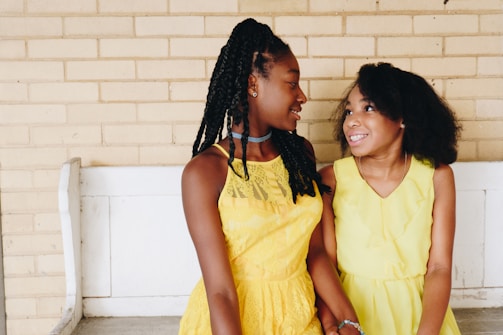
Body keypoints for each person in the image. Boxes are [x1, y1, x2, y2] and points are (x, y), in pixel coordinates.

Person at [178, 18, 363, 335]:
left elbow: (314, 253)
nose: (302, 96)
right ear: (253, 85)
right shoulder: (205, 171)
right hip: (233, 323)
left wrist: (349, 321)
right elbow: (220, 291)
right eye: (292, 84)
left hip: (299, 315)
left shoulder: (300, 154)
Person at [317, 62, 462, 334]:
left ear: (402, 117)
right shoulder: (330, 179)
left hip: (421, 320)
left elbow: (439, 267)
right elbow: (326, 266)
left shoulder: (437, 177)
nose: (352, 120)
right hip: (352, 319)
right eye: (349, 110)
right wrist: (333, 324)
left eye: (367, 108)